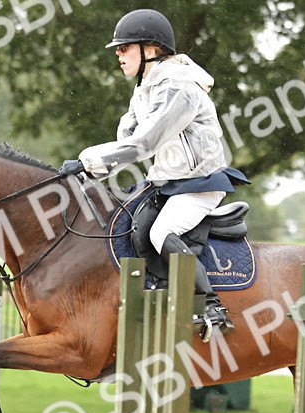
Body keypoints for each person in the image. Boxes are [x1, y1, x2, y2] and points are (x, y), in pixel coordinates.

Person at [58, 9, 248, 340]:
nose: (118, 54)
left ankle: (212, 307)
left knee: (162, 232)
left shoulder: (177, 87)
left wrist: (88, 161)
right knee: (122, 217)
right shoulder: (145, 88)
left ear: (151, 49)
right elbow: (126, 139)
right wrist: (91, 174)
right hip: (167, 182)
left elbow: (144, 143)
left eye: (124, 47)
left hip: (198, 184)